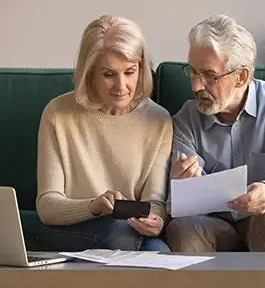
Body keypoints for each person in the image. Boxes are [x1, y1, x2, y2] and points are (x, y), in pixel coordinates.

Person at [165, 14, 265, 252]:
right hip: (217, 225)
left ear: (242, 77)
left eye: (209, 76)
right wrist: (179, 186)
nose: (196, 85)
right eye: (192, 72)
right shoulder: (186, 119)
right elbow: (181, 204)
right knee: (184, 228)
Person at [35, 15, 172, 252]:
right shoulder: (57, 114)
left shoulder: (159, 120)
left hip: (132, 231)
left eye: (130, 72)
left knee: (160, 252)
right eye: (109, 74)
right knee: (121, 234)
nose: (121, 86)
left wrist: (155, 221)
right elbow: (47, 206)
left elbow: (155, 202)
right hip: (75, 228)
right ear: (90, 73)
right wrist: (93, 206)